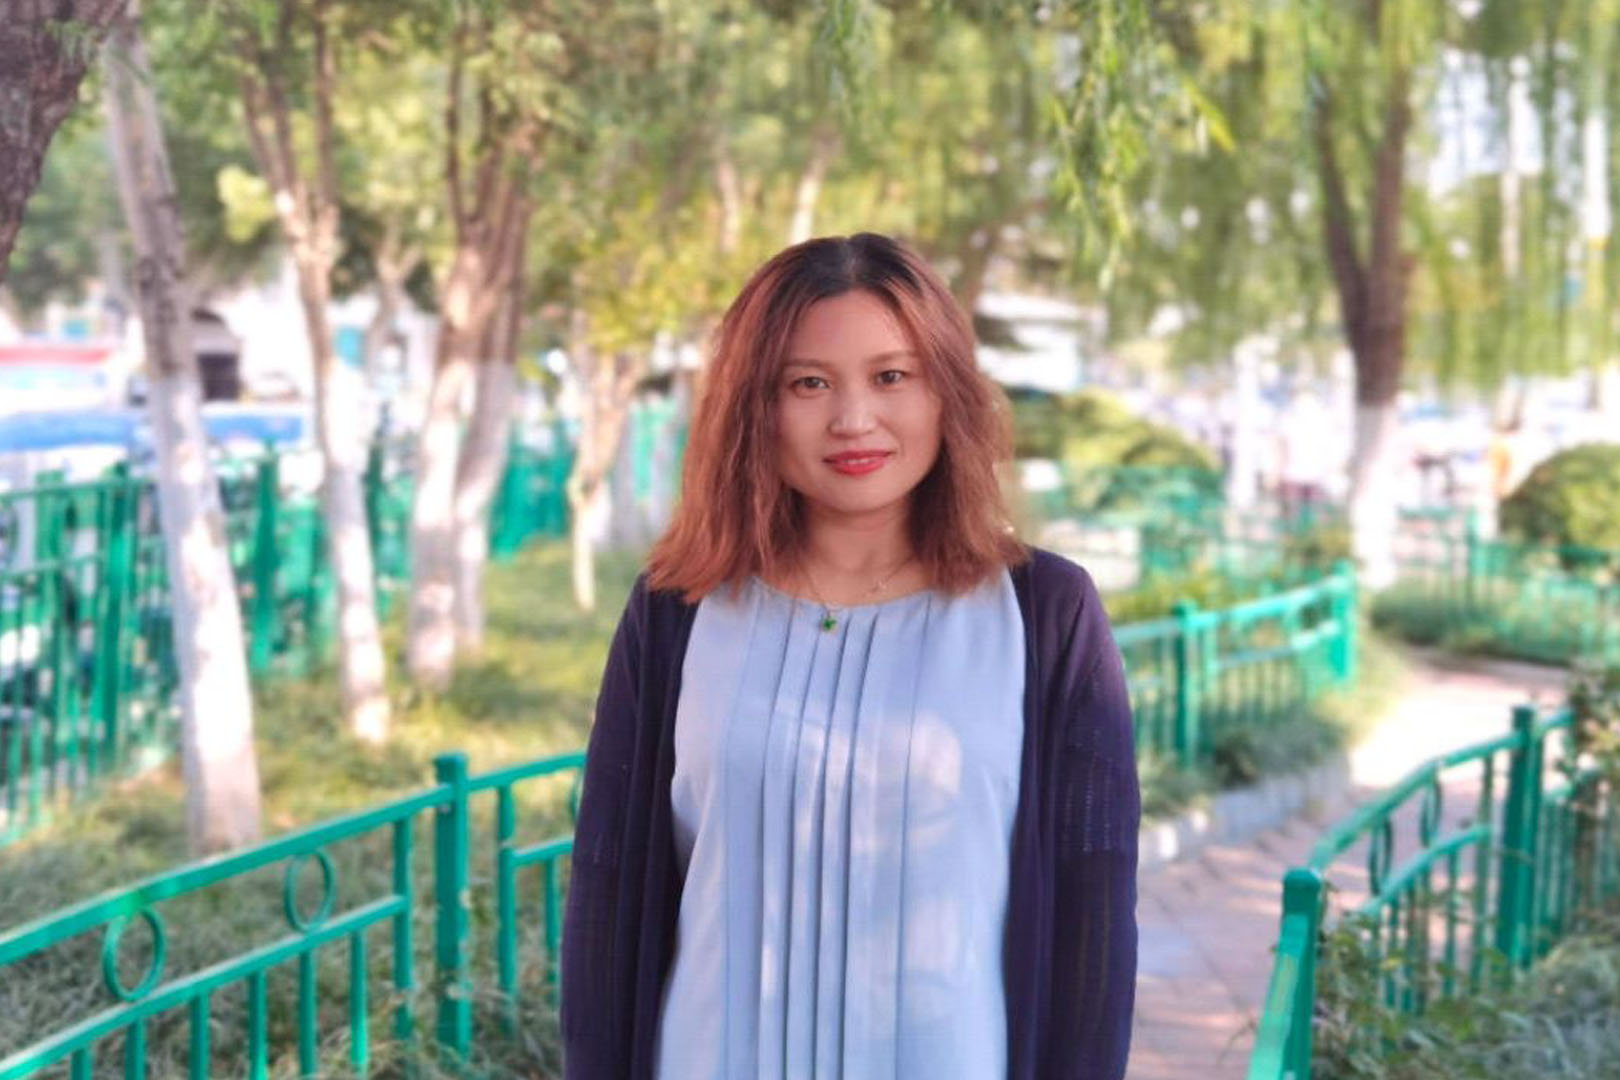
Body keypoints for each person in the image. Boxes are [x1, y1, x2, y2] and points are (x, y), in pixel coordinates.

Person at [559, 233, 1140, 1079]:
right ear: (755, 406)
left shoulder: (1046, 614)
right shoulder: (677, 609)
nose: (854, 419)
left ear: (947, 391)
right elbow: (609, 894)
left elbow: (1094, 921)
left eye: (892, 376)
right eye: (809, 383)